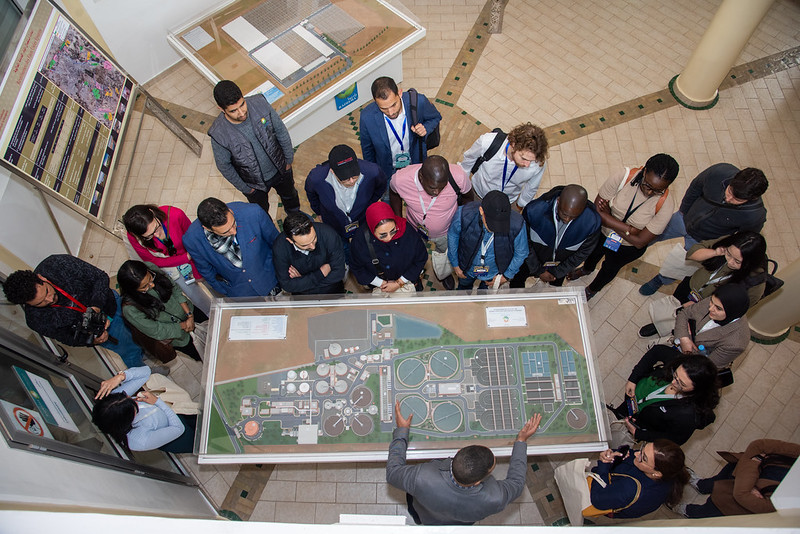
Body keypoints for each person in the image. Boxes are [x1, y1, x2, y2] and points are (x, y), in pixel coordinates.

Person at [2, 255, 167, 374]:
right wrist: (91, 340)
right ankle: (145, 373)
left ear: (41, 277)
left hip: (112, 304)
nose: (50, 298)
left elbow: (99, 277)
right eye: (41, 303)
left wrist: (95, 307)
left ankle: (150, 348)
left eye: (46, 291)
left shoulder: (57, 264)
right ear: (28, 305)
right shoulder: (36, 320)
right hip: (107, 333)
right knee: (129, 351)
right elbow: (67, 338)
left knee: (142, 328)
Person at [387, 399, 542, 525]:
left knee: (417, 514)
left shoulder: (421, 477)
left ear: (458, 452)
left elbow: (393, 472)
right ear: (478, 482)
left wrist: (402, 431)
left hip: (425, 514)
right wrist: (521, 441)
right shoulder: (495, 498)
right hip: (463, 522)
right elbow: (517, 482)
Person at [640, 164, 768, 295]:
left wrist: (716, 248)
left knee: (680, 265)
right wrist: (684, 210)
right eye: (729, 191)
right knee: (648, 236)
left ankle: (660, 280)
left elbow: (742, 240)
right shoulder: (719, 172)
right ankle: (631, 251)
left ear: (752, 198)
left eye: (737, 199)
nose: (728, 198)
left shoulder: (755, 216)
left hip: (703, 240)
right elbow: (696, 186)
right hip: (683, 219)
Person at [567, 154, 678, 300]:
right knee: (593, 253)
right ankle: (587, 269)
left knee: (610, 268)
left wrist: (609, 218)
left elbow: (640, 242)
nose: (649, 192)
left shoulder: (666, 205)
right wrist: (631, 230)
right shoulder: (624, 176)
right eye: (647, 185)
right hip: (603, 232)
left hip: (627, 247)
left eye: (658, 190)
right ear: (644, 171)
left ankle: (592, 289)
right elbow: (596, 211)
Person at [639, 233, 764, 340]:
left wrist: (701, 308)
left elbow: (733, 310)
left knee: (685, 322)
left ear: (750, 263)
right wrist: (715, 252)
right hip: (691, 286)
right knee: (675, 307)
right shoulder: (728, 245)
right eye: (729, 254)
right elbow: (693, 253)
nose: (729, 261)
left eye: (737, 261)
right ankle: (659, 325)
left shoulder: (755, 285)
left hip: (708, 307)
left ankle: (673, 332)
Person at [208, 80, 300, 216]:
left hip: (281, 169)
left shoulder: (260, 104)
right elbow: (224, 166)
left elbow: (281, 131)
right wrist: (246, 188)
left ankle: (295, 216)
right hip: (254, 185)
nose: (241, 113)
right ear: (221, 109)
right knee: (260, 212)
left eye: (242, 105)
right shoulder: (219, 134)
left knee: (290, 197)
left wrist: (288, 161)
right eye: (233, 111)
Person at [389, 155, 473, 290]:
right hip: (415, 229)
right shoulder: (401, 179)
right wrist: (399, 221)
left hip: (447, 231)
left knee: (446, 255)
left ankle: (444, 274)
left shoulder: (459, 176)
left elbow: (468, 198)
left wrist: (462, 223)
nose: (437, 192)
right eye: (433, 187)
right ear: (421, 177)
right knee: (414, 254)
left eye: (442, 187)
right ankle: (416, 275)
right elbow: (393, 193)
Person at [609, 353, 719, 446]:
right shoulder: (679, 362)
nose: (673, 382)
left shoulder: (688, 416)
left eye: (681, 384)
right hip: (632, 402)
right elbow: (656, 351)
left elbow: (676, 439)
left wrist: (639, 434)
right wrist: (633, 379)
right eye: (675, 375)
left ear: (697, 389)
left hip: (639, 423)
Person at [675, 439, 800, 518]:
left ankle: (686, 511)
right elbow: (758, 445)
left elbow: (742, 496)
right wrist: (751, 484)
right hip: (739, 472)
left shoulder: (793, 502)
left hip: (735, 502)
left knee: (709, 510)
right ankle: (702, 486)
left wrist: (756, 460)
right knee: (718, 480)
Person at [122, 204, 211, 315]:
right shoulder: (133, 236)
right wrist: (185, 258)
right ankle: (211, 314)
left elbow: (194, 241)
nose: (157, 234)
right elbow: (153, 261)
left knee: (213, 283)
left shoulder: (175, 215)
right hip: (171, 267)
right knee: (196, 297)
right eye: (149, 236)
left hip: (195, 256)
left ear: (152, 212)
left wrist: (197, 272)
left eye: (157, 227)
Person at [183, 197, 281, 298]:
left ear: (230, 210)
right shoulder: (192, 240)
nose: (234, 232)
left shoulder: (254, 213)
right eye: (226, 232)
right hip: (241, 292)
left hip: (270, 277)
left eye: (233, 224)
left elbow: (277, 243)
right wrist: (225, 290)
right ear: (207, 228)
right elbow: (206, 270)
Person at [304, 144, 387, 261]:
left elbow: (381, 186)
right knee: (342, 246)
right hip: (334, 222)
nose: (352, 181)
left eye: (355, 176)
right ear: (332, 171)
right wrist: (318, 212)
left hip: (363, 219)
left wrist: (371, 203)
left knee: (366, 243)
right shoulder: (316, 178)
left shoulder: (372, 171)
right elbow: (311, 194)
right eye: (345, 179)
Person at [510, 184, 601, 288]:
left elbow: (583, 253)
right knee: (518, 280)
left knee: (556, 288)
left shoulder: (592, 223)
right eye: (564, 214)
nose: (567, 220)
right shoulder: (534, 211)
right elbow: (524, 243)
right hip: (531, 260)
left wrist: (557, 272)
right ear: (558, 201)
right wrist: (539, 270)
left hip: (561, 265)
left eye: (573, 217)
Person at [359, 76, 442, 185]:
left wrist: (425, 128)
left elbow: (435, 117)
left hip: (415, 165)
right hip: (387, 171)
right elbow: (367, 150)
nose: (391, 112)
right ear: (375, 102)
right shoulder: (367, 117)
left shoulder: (419, 102)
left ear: (400, 93)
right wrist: (374, 175)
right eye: (383, 108)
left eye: (394, 104)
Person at [117, 261, 206, 362]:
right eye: (144, 287)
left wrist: (189, 315)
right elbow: (156, 330)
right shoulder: (130, 308)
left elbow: (175, 289)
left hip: (190, 311)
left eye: (151, 278)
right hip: (179, 335)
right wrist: (184, 325)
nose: (152, 285)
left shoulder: (151, 267)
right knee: (205, 355)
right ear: (132, 290)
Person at [92, 366, 195, 453]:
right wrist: (157, 402)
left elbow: (146, 372)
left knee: (200, 418)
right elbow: (178, 429)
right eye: (135, 408)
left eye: (128, 397)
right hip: (178, 437)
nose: (136, 400)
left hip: (176, 412)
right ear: (128, 420)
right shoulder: (138, 441)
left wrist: (121, 376)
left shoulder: (117, 403)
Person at [586, 440, 689, 519]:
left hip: (606, 495)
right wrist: (617, 454)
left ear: (656, 473)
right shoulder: (665, 472)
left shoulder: (631, 488)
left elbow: (597, 500)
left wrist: (603, 465)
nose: (636, 454)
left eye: (643, 458)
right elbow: (630, 454)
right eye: (642, 448)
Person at [447, 191, 528, 290]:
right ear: (481, 210)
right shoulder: (463, 214)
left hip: (493, 271)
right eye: (491, 223)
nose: (496, 228)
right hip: (467, 267)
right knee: (464, 287)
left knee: (484, 291)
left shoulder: (518, 224)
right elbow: (453, 236)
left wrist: (506, 275)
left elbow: (521, 252)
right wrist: (455, 264)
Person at [459, 122, 549, 209]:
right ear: (513, 144)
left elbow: (532, 187)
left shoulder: (538, 162)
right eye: (524, 158)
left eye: (531, 161)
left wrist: (520, 205)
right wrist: (464, 189)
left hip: (508, 203)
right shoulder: (487, 142)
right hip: (477, 194)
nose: (527, 164)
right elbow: (468, 161)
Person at [350, 202, 428, 294]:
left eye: (393, 231)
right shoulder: (360, 240)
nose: (389, 238)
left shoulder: (407, 232)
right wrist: (381, 283)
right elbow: (357, 266)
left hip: (407, 278)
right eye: (383, 235)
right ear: (372, 229)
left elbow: (421, 258)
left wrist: (399, 282)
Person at [670, 284, 752, 368]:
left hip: (689, 363)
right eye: (711, 302)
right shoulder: (717, 300)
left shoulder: (736, 344)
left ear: (731, 312)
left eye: (718, 309)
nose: (710, 309)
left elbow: (706, 366)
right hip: (678, 338)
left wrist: (687, 349)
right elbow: (684, 313)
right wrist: (684, 338)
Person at [272, 212, 346, 295]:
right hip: (302, 297)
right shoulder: (280, 247)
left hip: (332, 291)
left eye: (314, 239)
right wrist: (320, 274)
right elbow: (287, 285)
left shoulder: (329, 235)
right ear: (290, 241)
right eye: (305, 245)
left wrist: (302, 281)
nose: (313, 246)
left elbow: (338, 274)